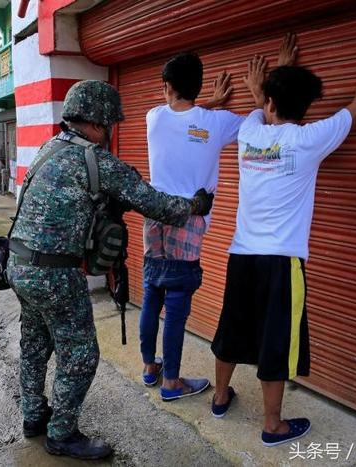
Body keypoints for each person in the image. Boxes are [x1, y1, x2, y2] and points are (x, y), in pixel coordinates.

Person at [210, 11, 356, 446]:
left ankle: (219, 397)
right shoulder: (310, 140)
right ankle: (272, 425)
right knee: (276, 339)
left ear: (269, 103)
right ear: (303, 108)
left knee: (231, 326)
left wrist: (272, 75)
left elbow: (259, 107)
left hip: (241, 254)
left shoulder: (251, 132)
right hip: (282, 262)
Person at [7, 80, 213, 460]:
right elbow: (156, 204)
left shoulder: (48, 149)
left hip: (18, 264)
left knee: (35, 344)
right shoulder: (98, 160)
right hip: (54, 274)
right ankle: (62, 433)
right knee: (82, 353)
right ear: (101, 123)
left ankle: (34, 416)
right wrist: (195, 205)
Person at [139, 53, 244, 401]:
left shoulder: (153, 118)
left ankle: (150, 368)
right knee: (177, 305)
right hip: (189, 220)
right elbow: (255, 125)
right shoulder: (217, 123)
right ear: (198, 87)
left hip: (154, 217)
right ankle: (171, 383)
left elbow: (178, 116)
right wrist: (215, 105)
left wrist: (204, 104)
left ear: (167, 87)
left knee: (152, 294)